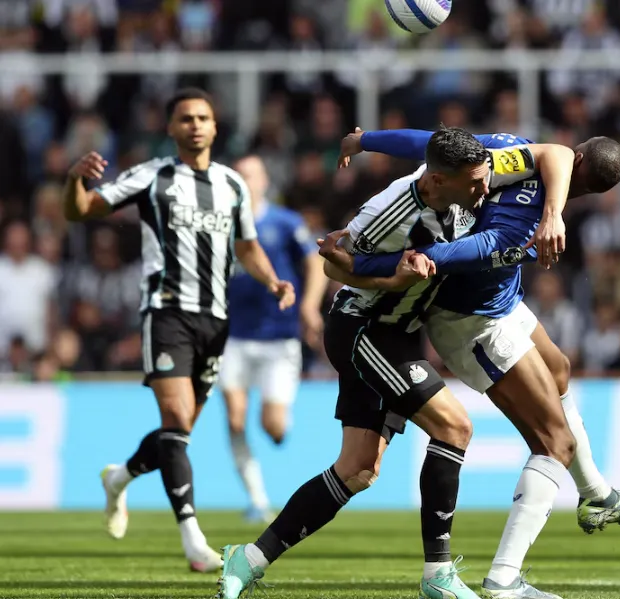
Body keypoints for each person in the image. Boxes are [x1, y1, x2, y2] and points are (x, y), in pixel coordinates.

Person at [215, 127, 578, 599]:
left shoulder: (477, 168)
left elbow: (554, 153)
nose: (483, 189)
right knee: (454, 428)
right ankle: (438, 576)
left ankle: (249, 558)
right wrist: (391, 281)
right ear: (436, 182)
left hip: (400, 335)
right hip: (364, 330)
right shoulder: (389, 214)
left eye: (484, 176)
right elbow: (333, 265)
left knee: (357, 469)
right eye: (473, 184)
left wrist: (364, 139)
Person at [320, 127, 620, 598]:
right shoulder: (517, 221)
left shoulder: (508, 155)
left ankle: (596, 494)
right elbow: (440, 253)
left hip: (502, 302)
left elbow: (434, 143)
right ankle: (503, 579)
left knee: (558, 368)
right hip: (473, 322)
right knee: (554, 442)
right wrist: (361, 264)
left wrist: (365, 141)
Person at [62, 87, 296, 572]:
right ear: (170, 128)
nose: (194, 125)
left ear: (214, 127)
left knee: (180, 430)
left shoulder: (232, 184)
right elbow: (80, 210)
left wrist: (273, 280)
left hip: (216, 319)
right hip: (166, 313)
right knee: (176, 419)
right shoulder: (151, 176)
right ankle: (192, 539)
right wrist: (73, 181)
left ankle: (120, 477)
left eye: (203, 118)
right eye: (185, 118)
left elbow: (247, 246)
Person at [219, 154, 328, 523]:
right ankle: (257, 498)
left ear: (264, 181)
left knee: (273, 426)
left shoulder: (284, 222)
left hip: (279, 338)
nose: (245, 182)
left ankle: (281, 423)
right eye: (239, 176)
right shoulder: (221, 223)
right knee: (234, 419)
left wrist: (309, 307)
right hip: (232, 336)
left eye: (250, 175)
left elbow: (315, 263)